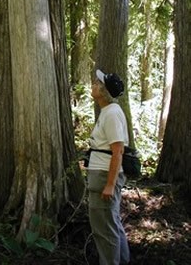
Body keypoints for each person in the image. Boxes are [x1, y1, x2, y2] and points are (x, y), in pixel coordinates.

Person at [87, 69, 130, 265]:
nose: (94, 85)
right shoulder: (108, 112)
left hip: (105, 176)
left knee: (104, 229)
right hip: (102, 174)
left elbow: (118, 151)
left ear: (104, 92)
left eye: (97, 83)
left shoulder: (111, 114)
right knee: (111, 223)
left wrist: (110, 184)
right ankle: (121, 260)